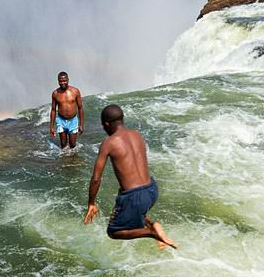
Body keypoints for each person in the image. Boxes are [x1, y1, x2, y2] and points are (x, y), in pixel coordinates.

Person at [83, 104, 177, 249]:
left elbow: (96, 178)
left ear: (106, 124)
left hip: (135, 195)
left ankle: (152, 232)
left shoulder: (109, 143)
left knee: (114, 231)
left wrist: (91, 203)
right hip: (151, 189)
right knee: (136, 211)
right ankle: (152, 225)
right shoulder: (137, 135)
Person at [50, 71, 84, 150]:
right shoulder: (55, 93)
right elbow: (53, 110)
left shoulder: (75, 91)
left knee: (72, 145)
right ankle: (64, 162)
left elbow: (80, 108)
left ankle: (73, 161)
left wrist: (81, 124)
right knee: (63, 145)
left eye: (64, 80)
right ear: (58, 81)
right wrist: (51, 127)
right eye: (60, 81)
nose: (62, 83)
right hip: (61, 121)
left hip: (73, 121)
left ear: (68, 80)